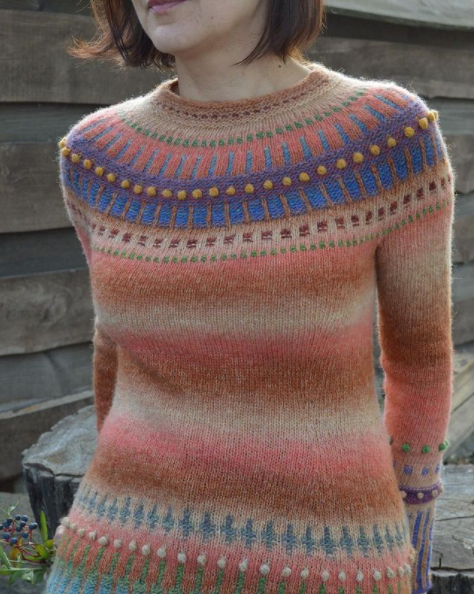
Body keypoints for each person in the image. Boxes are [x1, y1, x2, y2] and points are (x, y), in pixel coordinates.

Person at [45, 0, 456, 593]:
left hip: (325, 561)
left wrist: (412, 530)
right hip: (115, 553)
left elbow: (420, 361)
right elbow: (114, 352)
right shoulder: (96, 156)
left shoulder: (383, 135)